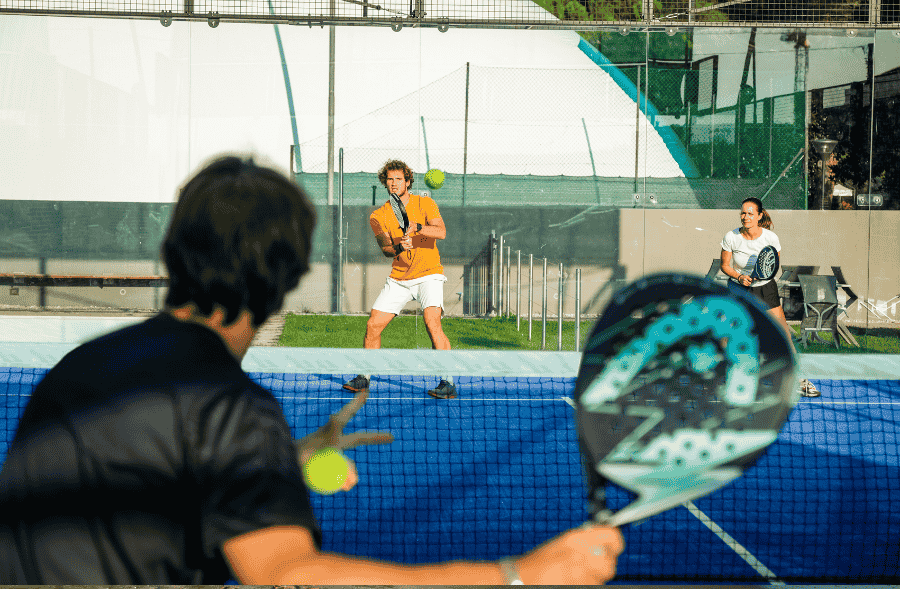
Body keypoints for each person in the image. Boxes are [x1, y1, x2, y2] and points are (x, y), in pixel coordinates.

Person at [0, 155, 624, 585]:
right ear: (287, 278)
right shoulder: (228, 408)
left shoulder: (79, 368)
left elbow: (137, 488)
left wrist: (279, 459)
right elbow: (291, 578)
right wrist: (521, 575)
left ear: (172, 252)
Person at [343, 159, 458, 399]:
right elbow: (386, 249)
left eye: (398, 179)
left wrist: (416, 229)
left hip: (429, 273)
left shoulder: (425, 203)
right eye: (389, 179)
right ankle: (364, 377)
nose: (393, 183)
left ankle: (448, 382)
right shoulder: (378, 215)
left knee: (431, 321)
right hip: (399, 278)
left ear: (407, 182)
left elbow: (441, 232)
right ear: (384, 182)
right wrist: (399, 248)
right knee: (373, 324)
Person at [720, 197, 821, 398]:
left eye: (750, 213)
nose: (745, 216)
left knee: (782, 332)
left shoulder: (770, 238)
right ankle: (722, 374)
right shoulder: (731, 237)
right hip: (738, 288)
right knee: (728, 333)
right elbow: (725, 266)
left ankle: (797, 379)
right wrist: (740, 276)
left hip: (765, 288)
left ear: (759, 216)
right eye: (743, 212)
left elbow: (772, 267)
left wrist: (758, 277)